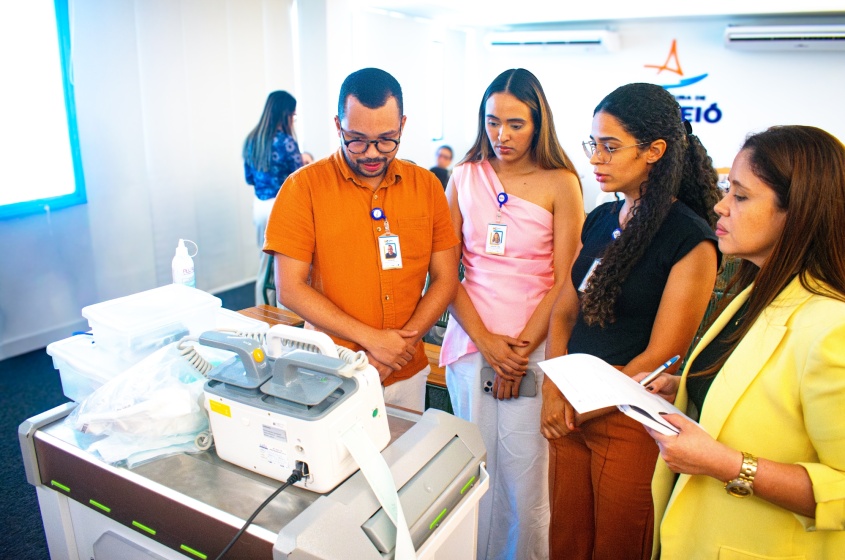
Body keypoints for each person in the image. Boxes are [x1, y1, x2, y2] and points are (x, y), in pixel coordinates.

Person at [643, 125, 845, 559]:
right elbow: (761, 388)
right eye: (725, 190)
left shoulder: (833, 327)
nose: (720, 206)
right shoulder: (757, 291)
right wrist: (687, 386)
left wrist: (724, 464)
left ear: (799, 211)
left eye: (741, 195)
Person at [541, 82, 722, 560]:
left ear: (654, 152)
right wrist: (552, 389)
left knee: (618, 545)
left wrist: (585, 404)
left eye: (610, 146)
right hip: (569, 408)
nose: (596, 158)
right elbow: (565, 306)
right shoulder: (602, 218)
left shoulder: (690, 239)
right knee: (567, 540)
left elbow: (661, 353)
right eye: (593, 144)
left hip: (628, 420)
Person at [440, 68, 584, 560]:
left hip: (535, 342)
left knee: (526, 478)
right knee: (473, 469)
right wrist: (487, 343)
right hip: (472, 340)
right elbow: (443, 272)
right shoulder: (464, 176)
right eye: (493, 122)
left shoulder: (561, 182)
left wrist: (518, 352)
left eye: (516, 124)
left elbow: (567, 277)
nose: (502, 136)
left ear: (539, 123)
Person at [264, 68, 459, 411]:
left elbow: (445, 279)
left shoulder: (427, 187)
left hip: (405, 371)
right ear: (338, 125)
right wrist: (373, 341)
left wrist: (396, 350)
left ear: (403, 126)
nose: (372, 153)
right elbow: (290, 288)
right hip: (330, 371)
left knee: (406, 462)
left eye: (387, 139)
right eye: (356, 139)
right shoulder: (303, 189)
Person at [243, 90, 303, 306]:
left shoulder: (251, 140)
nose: (292, 120)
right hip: (280, 208)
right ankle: (284, 318)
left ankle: (261, 315)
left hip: (259, 207)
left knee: (263, 265)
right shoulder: (286, 142)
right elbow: (299, 178)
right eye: (292, 115)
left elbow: (249, 178)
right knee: (283, 267)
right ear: (285, 113)